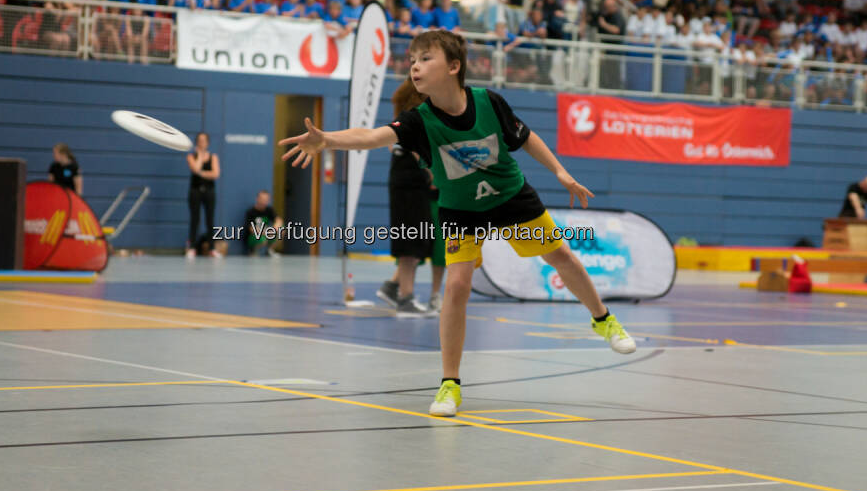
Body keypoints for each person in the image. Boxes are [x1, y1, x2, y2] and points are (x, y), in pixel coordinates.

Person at [279, 29, 636, 418]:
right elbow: (371, 135)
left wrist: (561, 173)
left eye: (425, 58)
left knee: (562, 256)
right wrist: (327, 140)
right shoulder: (418, 121)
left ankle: (604, 320)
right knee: (457, 285)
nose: (415, 65)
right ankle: (450, 384)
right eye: (412, 59)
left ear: (453, 66)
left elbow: (526, 137)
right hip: (460, 210)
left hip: (510, 197)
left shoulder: (488, 102)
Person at [377, 78, 446, 317]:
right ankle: (405, 299)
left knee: (415, 243)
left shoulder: (400, 122)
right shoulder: (413, 122)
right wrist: (434, 175)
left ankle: (398, 290)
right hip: (410, 188)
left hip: (406, 187)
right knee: (411, 244)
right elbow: (419, 154)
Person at [186, 133, 221, 259]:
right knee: (195, 219)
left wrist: (200, 172)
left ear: (208, 143)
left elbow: (215, 174)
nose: (202, 143)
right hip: (195, 191)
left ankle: (212, 248)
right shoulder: (191, 156)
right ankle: (192, 248)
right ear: (197, 143)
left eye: (204, 141)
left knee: (210, 219)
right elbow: (195, 169)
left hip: (209, 191)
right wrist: (200, 156)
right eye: (199, 141)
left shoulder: (213, 157)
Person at [242, 190, 283, 256]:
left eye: (266, 199)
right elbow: (251, 229)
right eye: (262, 199)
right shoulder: (251, 212)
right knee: (262, 238)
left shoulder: (269, 210)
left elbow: (279, 220)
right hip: (253, 236)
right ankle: (253, 252)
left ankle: (270, 250)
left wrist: (275, 228)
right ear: (257, 199)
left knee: (282, 230)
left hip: (266, 233)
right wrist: (265, 232)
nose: (264, 201)